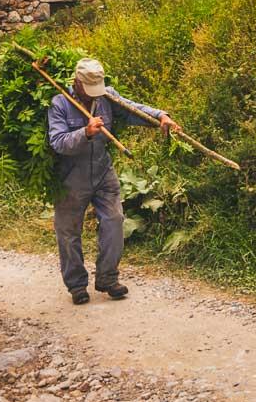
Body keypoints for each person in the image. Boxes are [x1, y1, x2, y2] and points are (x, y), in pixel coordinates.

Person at [47, 57, 178, 305]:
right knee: (68, 232)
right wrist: (84, 132)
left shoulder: (106, 96)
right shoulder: (60, 104)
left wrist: (161, 115)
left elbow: (131, 110)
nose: (93, 95)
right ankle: (76, 285)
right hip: (70, 178)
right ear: (77, 82)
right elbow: (58, 142)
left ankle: (107, 278)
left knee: (115, 220)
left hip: (103, 172)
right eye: (88, 89)